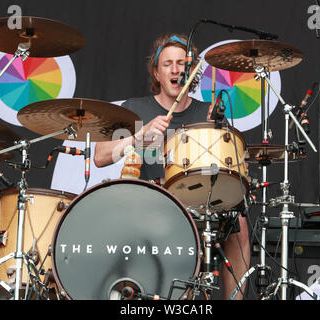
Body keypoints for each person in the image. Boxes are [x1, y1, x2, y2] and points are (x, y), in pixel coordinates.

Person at [94, 33, 250, 300]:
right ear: (156, 73)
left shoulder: (207, 113)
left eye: (182, 64)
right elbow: (100, 156)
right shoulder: (134, 110)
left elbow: (232, 163)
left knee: (239, 220)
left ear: (191, 72)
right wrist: (137, 137)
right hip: (147, 203)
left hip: (198, 203)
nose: (176, 69)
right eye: (168, 64)